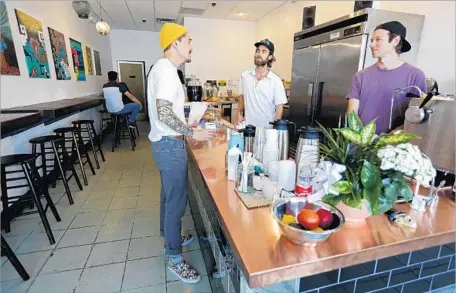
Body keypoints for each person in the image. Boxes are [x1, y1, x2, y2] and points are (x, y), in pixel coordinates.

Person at [147, 23, 215, 284]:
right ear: (175, 43)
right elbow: (164, 112)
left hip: (164, 143)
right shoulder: (166, 70)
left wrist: (187, 118)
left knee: (168, 195)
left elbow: (167, 109)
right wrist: (191, 131)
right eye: (188, 40)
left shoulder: (162, 69)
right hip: (170, 144)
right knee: (176, 202)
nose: (191, 45)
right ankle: (174, 258)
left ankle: (169, 234)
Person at [346, 21, 427, 134]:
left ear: (395, 40)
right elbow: (352, 114)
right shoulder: (360, 76)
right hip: (360, 149)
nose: (372, 44)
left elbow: (416, 117)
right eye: (372, 40)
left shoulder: (415, 76)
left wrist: (386, 140)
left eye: (378, 39)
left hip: (393, 149)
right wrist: (366, 139)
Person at [236, 39, 288, 128]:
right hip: (248, 129)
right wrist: (238, 114)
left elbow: (279, 108)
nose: (259, 54)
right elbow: (242, 98)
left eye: (264, 51)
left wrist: (274, 129)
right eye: (257, 51)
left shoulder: (276, 81)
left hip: (267, 130)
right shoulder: (245, 76)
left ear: (270, 56)